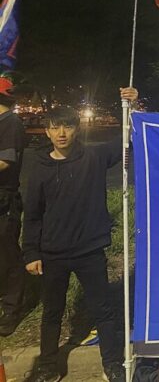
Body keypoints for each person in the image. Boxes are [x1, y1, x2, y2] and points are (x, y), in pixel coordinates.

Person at [22, 87, 138, 382]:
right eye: (56, 127)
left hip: (89, 251)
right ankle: (48, 365)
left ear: (77, 129)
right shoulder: (39, 167)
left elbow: (128, 139)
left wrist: (133, 106)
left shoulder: (94, 157)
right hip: (52, 253)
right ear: (47, 131)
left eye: (69, 126)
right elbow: (33, 214)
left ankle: (111, 363)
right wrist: (31, 252)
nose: (62, 133)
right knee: (52, 312)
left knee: (103, 309)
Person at [0, 77, 27, 337]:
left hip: (4, 200)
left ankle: (11, 309)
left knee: (7, 256)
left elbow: (5, 162)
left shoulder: (10, 124)